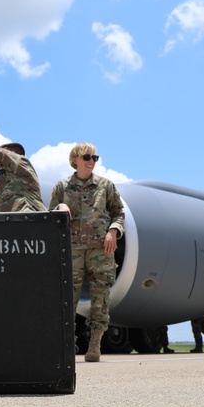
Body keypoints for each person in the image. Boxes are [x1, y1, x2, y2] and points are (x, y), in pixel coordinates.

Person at [49, 143, 125, 362]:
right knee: (67, 299)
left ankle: (95, 343)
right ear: (75, 159)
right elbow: (50, 217)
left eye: (95, 157)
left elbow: (118, 213)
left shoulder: (106, 185)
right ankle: (68, 345)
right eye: (87, 157)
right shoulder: (62, 187)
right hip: (71, 249)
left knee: (100, 297)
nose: (92, 161)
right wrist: (59, 208)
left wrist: (113, 231)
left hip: (101, 249)